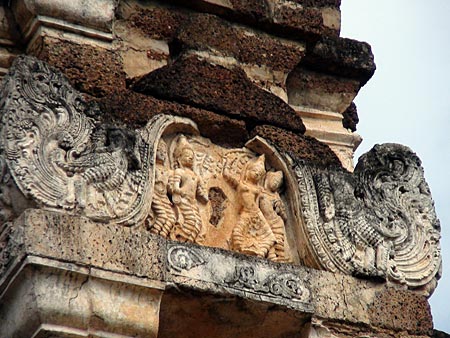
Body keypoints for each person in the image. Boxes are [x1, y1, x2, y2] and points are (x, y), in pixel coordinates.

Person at [169, 135, 208, 243]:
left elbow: (202, 194)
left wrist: (203, 194)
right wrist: (179, 191)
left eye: (192, 156)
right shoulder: (179, 172)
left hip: (193, 202)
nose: (190, 158)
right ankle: (179, 237)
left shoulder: (195, 176)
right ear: (179, 157)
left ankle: (189, 243)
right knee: (190, 221)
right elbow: (174, 187)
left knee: (197, 223)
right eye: (186, 155)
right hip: (183, 200)